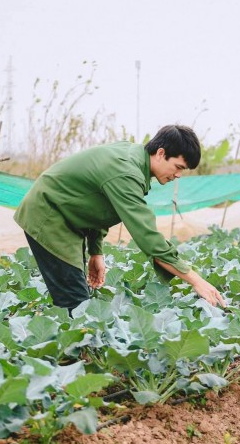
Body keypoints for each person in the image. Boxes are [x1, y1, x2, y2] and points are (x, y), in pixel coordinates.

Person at [14, 124, 226, 313]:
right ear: (161, 153)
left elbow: (98, 204)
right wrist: (196, 281)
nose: (178, 175)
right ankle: (64, 345)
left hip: (65, 216)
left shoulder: (133, 157)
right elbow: (148, 237)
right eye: (178, 167)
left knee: (75, 299)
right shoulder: (126, 172)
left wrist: (96, 251)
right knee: (76, 304)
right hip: (49, 215)